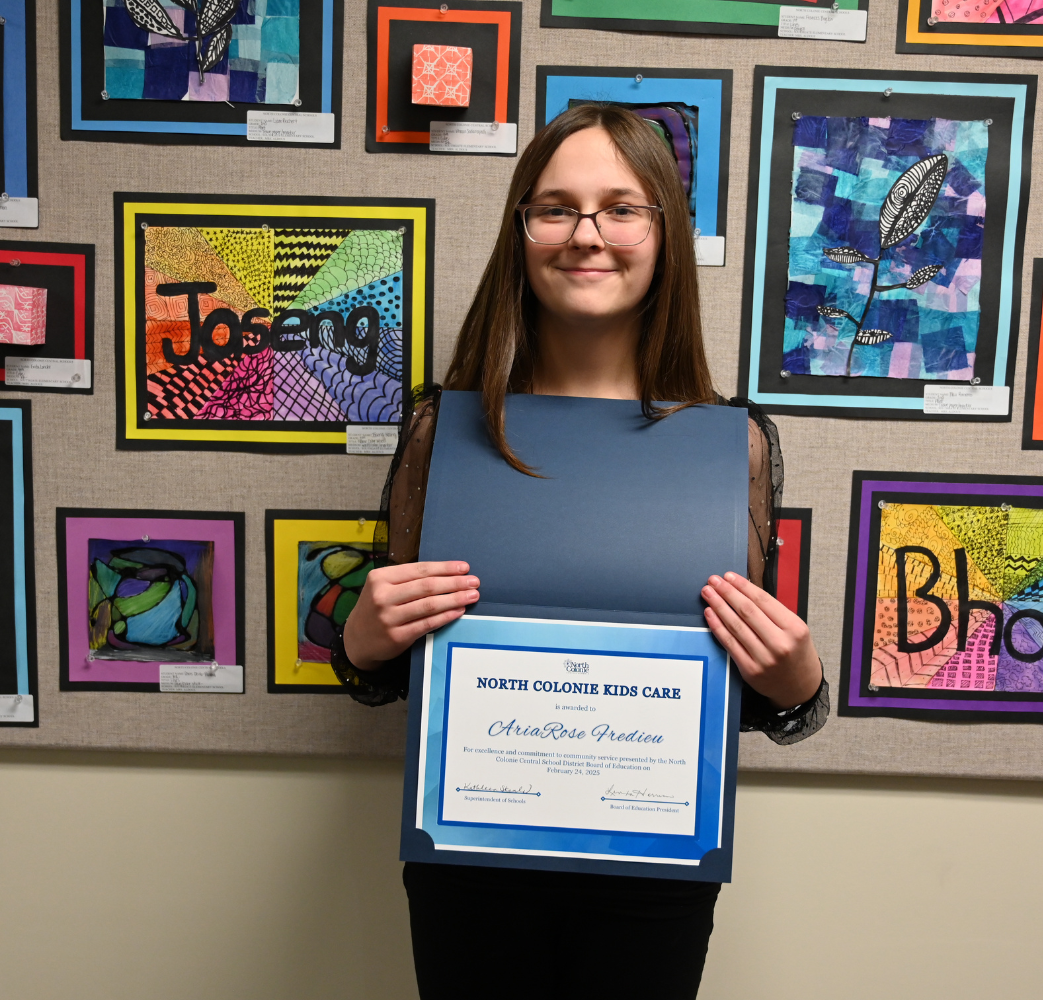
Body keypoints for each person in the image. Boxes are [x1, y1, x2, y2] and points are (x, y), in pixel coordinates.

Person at [331, 104, 829, 1000]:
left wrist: (795, 682)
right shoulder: (443, 430)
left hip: (652, 873)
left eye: (621, 208)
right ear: (521, 232)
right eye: (555, 207)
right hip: (472, 865)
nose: (586, 234)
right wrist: (363, 641)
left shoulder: (734, 446)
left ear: (663, 233)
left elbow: (745, 697)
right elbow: (392, 676)